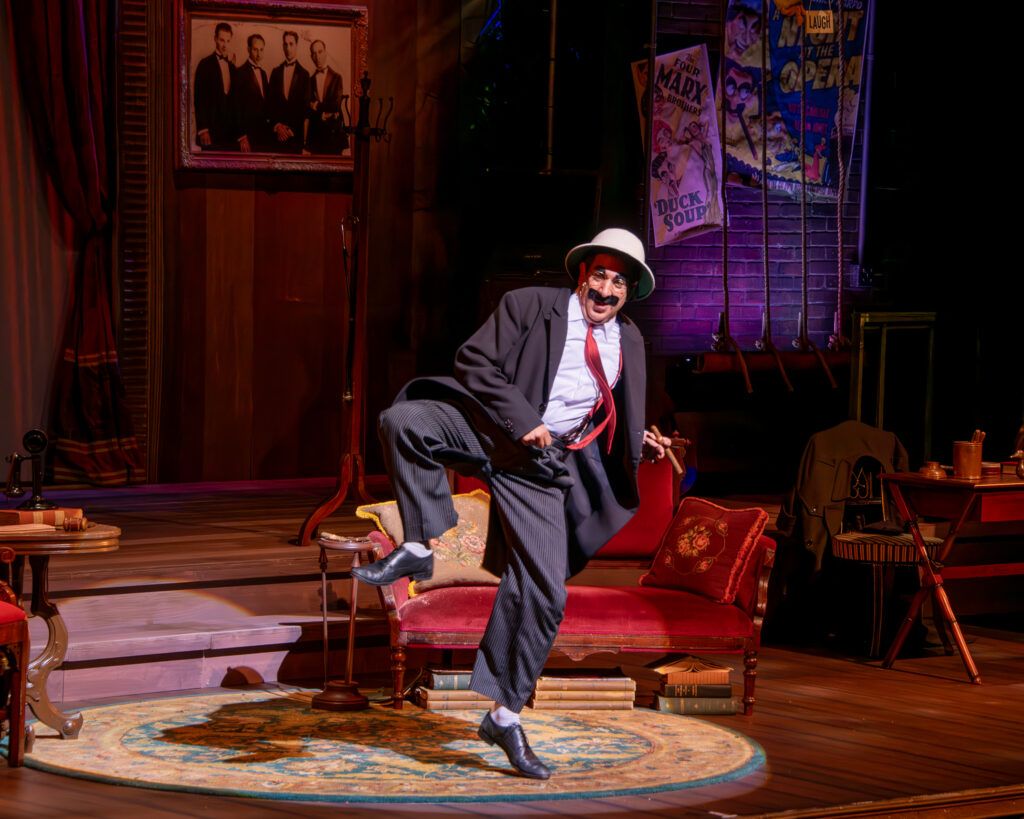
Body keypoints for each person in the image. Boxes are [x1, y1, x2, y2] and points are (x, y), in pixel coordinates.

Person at [352, 228, 670, 780]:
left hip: (540, 469)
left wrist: (639, 437)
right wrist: (524, 421)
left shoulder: (630, 340)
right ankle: (419, 545)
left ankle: (503, 715)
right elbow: (474, 361)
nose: (606, 289)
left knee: (544, 592)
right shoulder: (529, 305)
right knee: (403, 421)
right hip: (492, 430)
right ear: (582, 275)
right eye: (599, 275)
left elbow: (615, 401)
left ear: (630, 291)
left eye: (619, 282)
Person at [194, 22, 236, 151]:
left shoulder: (232, 67)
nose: (225, 45)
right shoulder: (205, 64)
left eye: (228, 41)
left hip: (230, 134)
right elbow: (199, 98)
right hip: (210, 133)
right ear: (215, 39)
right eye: (222, 40)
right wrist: (203, 130)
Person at [267, 31, 310, 153]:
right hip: (277, 137)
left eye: (291, 44)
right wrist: (277, 126)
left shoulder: (305, 75)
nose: (288, 48)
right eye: (285, 44)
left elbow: (305, 107)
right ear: (282, 46)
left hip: (295, 137)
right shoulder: (275, 72)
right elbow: (270, 103)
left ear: (297, 45)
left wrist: (292, 129)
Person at [303, 40, 347, 154]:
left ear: (325, 53)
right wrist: (322, 113)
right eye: (314, 53)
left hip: (333, 134)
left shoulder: (337, 77)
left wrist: (316, 106)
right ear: (311, 57)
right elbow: (307, 108)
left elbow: (335, 105)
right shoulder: (310, 80)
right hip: (316, 136)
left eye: (320, 52)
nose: (317, 57)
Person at [234, 33, 271, 152]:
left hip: (264, 133)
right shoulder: (239, 73)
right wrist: (242, 136)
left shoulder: (264, 74)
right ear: (248, 49)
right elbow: (235, 107)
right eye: (255, 49)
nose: (259, 54)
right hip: (248, 136)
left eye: (261, 50)